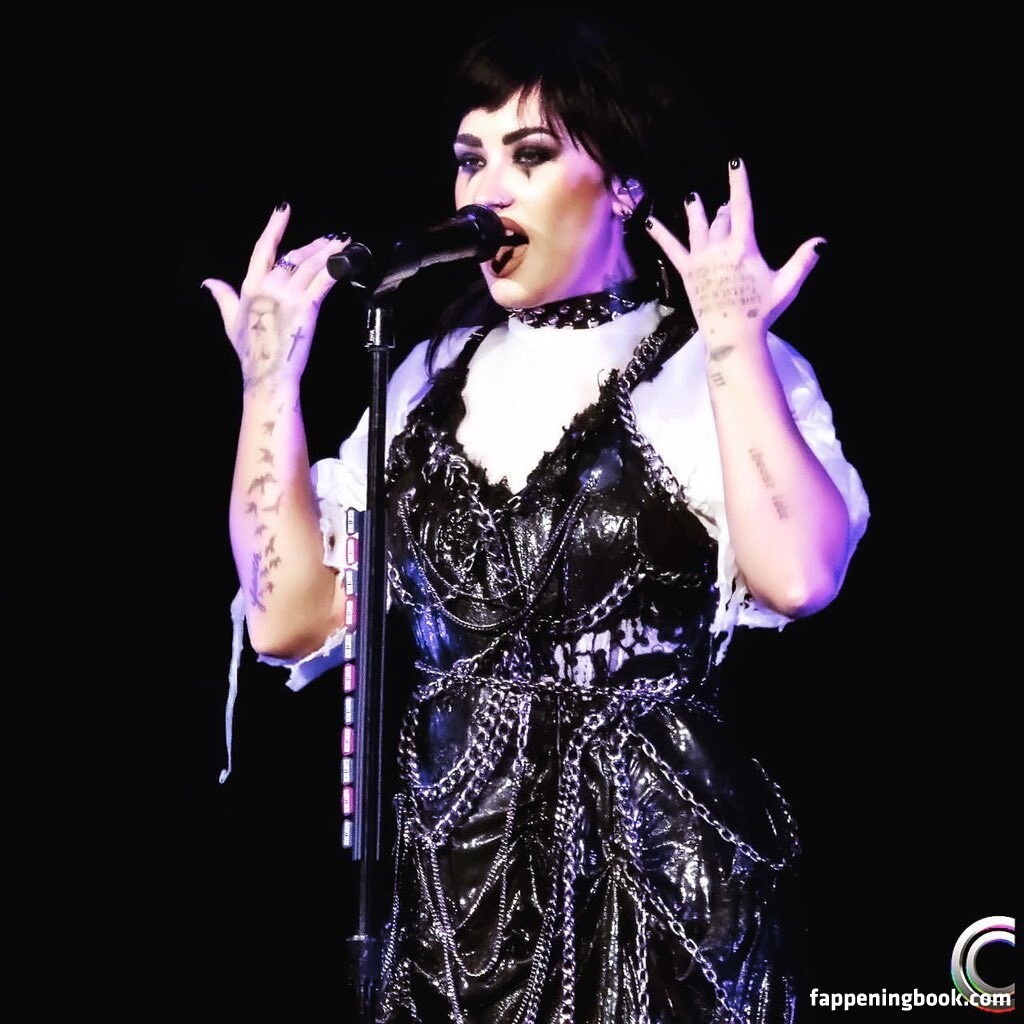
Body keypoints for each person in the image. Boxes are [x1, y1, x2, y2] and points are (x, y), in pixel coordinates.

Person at [202, 15, 869, 1024]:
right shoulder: (424, 381)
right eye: (471, 159)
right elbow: (289, 618)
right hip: (458, 885)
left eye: (530, 156)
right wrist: (269, 383)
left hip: (662, 884)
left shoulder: (712, 364)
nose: (488, 190)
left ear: (623, 185)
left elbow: (801, 575)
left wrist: (733, 340)